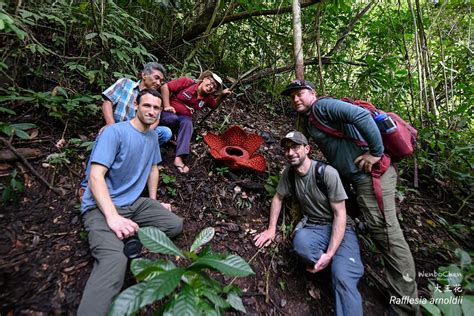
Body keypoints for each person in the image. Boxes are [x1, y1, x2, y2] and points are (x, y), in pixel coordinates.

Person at [281, 79, 419, 315]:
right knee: (383, 234)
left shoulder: (323, 107)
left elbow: (361, 117)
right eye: (292, 96)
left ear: (312, 93)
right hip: (360, 180)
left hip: (372, 176)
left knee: (388, 237)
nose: (296, 99)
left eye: (300, 93)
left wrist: (375, 152)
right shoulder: (312, 116)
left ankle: (406, 307)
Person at [78, 89, 183, 316]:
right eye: (147, 106)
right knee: (115, 260)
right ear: (136, 105)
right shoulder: (114, 132)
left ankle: (128, 233)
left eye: (156, 108)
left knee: (174, 225)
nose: (151, 111)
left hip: (134, 204)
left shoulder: (152, 137)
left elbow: (153, 167)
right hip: (101, 205)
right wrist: (112, 217)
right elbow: (95, 177)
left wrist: (154, 202)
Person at [254, 131, 364, 316]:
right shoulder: (289, 174)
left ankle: (339, 265)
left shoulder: (326, 173)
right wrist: (271, 230)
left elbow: (340, 215)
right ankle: (333, 265)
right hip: (314, 227)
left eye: (296, 147)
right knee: (301, 247)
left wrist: (329, 253)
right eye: (287, 149)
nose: (290, 153)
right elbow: (278, 198)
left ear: (307, 149)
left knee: (343, 277)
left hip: (341, 228)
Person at [159, 70, 231, 174]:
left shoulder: (207, 99)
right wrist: (166, 106)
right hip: (170, 113)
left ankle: (179, 157)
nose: (211, 86)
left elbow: (214, 104)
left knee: (188, 123)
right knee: (172, 119)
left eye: (214, 87)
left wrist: (222, 95)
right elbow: (165, 87)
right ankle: (172, 135)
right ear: (204, 79)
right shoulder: (187, 82)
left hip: (184, 118)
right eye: (210, 82)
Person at [101, 61, 172, 145]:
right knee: (105, 133)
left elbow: (156, 119)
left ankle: (139, 149)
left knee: (166, 132)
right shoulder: (125, 83)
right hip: (119, 127)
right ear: (144, 75)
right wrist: (110, 124)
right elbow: (108, 102)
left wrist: (143, 133)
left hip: (141, 131)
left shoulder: (155, 97)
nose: (158, 83)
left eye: (161, 81)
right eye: (156, 78)